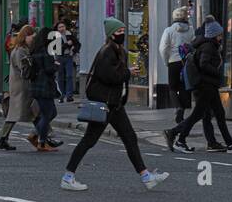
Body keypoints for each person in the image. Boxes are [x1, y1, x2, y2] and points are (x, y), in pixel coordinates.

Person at [61, 18, 169, 191]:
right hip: (105, 104)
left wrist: (125, 73)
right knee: (89, 140)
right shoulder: (107, 52)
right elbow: (111, 77)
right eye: (119, 32)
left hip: (114, 105)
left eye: (123, 31)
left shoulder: (116, 50)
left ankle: (146, 176)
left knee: (130, 138)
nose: (122, 34)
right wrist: (128, 72)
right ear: (111, 35)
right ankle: (68, 177)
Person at [165, 21, 232, 153]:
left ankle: (230, 144)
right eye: (219, 34)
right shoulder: (208, 46)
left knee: (219, 114)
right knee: (198, 115)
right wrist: (218, 73)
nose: (221, 36)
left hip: (209, 85)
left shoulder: (209, 45)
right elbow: (204, 64)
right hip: (205, 85)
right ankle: (179, 139)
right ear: (214, 34)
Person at [0, 24, 35, 151]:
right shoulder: (20, 51)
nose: (32, 39)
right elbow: (24, 69)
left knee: (32, 112)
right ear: (25, 37)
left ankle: (3, 138)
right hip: (21, 85)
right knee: (32, 111)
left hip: (19, 85)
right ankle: (43, 137)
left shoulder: (20, 49)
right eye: (31, 36)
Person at [27, 26, 62, 152]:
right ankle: (41, 141)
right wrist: (56, 66)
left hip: (36, 86)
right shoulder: (46, 52)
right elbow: (49, 69)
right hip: (45, 87)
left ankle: (35, 133)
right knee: (47, 114)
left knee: (51, 113)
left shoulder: (35, 50)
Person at [158, 8, 194, 129]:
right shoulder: (191, 30)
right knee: (184, 87)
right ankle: (181, 113)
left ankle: (178, 107)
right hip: (186, 62)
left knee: (172, 87)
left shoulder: (169, 30)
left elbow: (163, 48)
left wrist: (166, 61)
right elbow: (193, 45)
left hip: (173, 61)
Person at [56, 22, 79, 102]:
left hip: (69, 57)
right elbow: (57, 49)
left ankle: (69, 95)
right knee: (60, 77)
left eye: (63, 26)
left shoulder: (70, 35)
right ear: (57, 29)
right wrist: (67, 44)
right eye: (60, 27)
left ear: (65, 27)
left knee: (69, 76)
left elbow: (78, 44)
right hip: (60, 58)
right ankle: (62, 95)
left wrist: (74, 50)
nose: (62, 28)